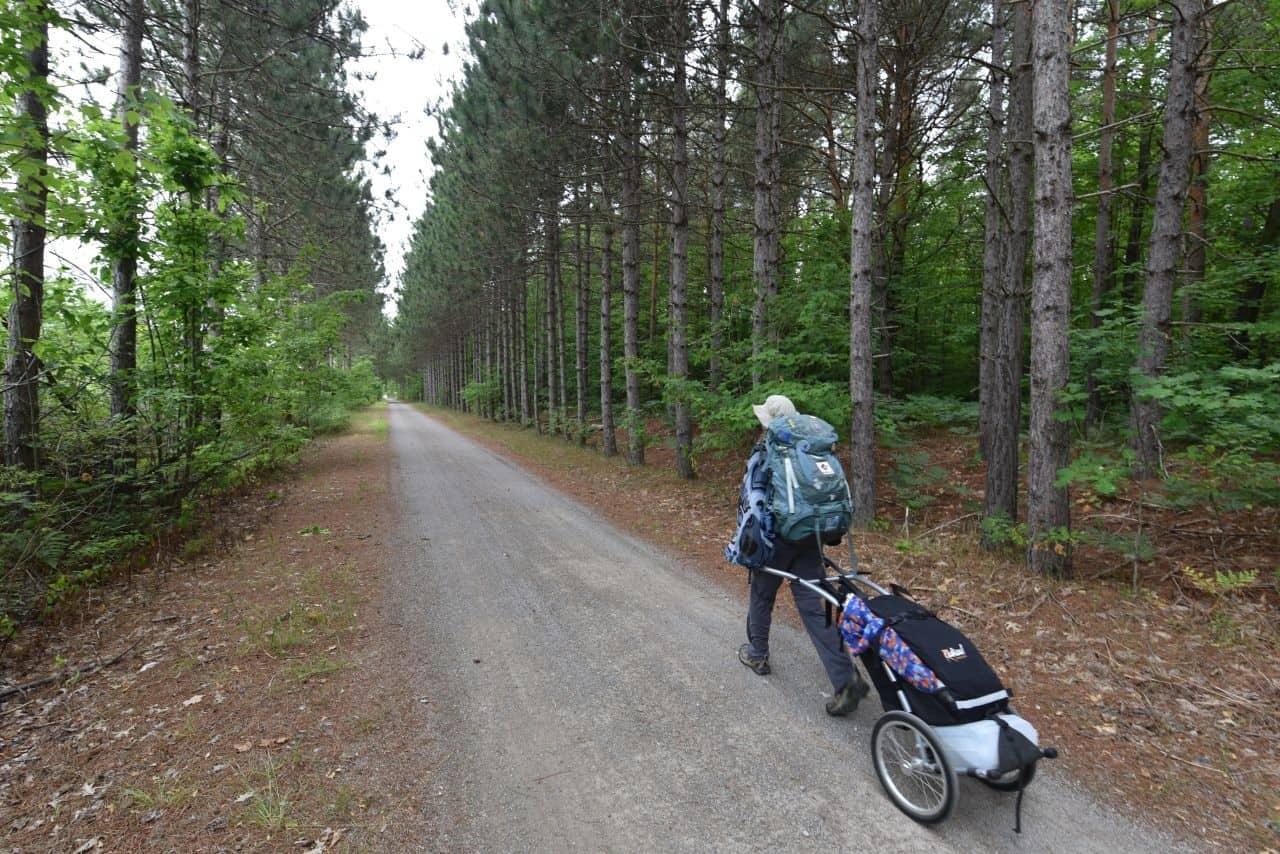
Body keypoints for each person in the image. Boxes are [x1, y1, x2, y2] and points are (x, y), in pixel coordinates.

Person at [730, 394, 870, 716]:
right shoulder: (809, 450)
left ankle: (757, 654)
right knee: (814, 608)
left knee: (762, 596)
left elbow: (753, 500)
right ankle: (845, 678)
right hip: (808, 536)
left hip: (776, 541)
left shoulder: (767, 452)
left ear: (768, 422)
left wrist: (747, 543)